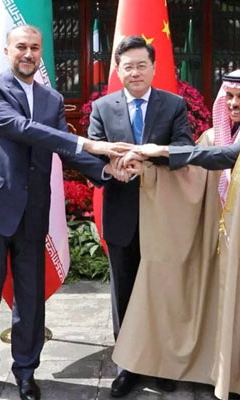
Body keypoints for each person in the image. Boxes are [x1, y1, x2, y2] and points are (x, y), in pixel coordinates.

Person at [0, 25, 131, 400]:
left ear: (41, 54)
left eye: (35, 48)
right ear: (7, 51)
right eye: (21, 46)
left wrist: (105, 169)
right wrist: (85, 139)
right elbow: (21, 128)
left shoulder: (51, 99)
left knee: (30, 297)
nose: (28, 54)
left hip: (33, 209)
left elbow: (65, 151)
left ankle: (25, 372)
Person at [115, 69, 240, 400]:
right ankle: (222, 374)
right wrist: (147, 168)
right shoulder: (209, 136)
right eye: (229, 97)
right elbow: (190, 175)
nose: (234, 104)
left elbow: (228, 156)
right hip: (216, 242)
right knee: (217, 305)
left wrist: (158, 151)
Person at [87, 35, 194, 397]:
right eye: (127, 66)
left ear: (154, 68)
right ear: (118, 70)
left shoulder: (173, 105)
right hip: (122, 213)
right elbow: (91, 154)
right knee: (126, 292)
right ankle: (128, 365)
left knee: (161, 290)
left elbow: (185, 150)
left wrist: (150, 158)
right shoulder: (102, 108)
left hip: (163, 214)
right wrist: (109, 170)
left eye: (141, 65)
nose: (135, 72)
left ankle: (161, 362)